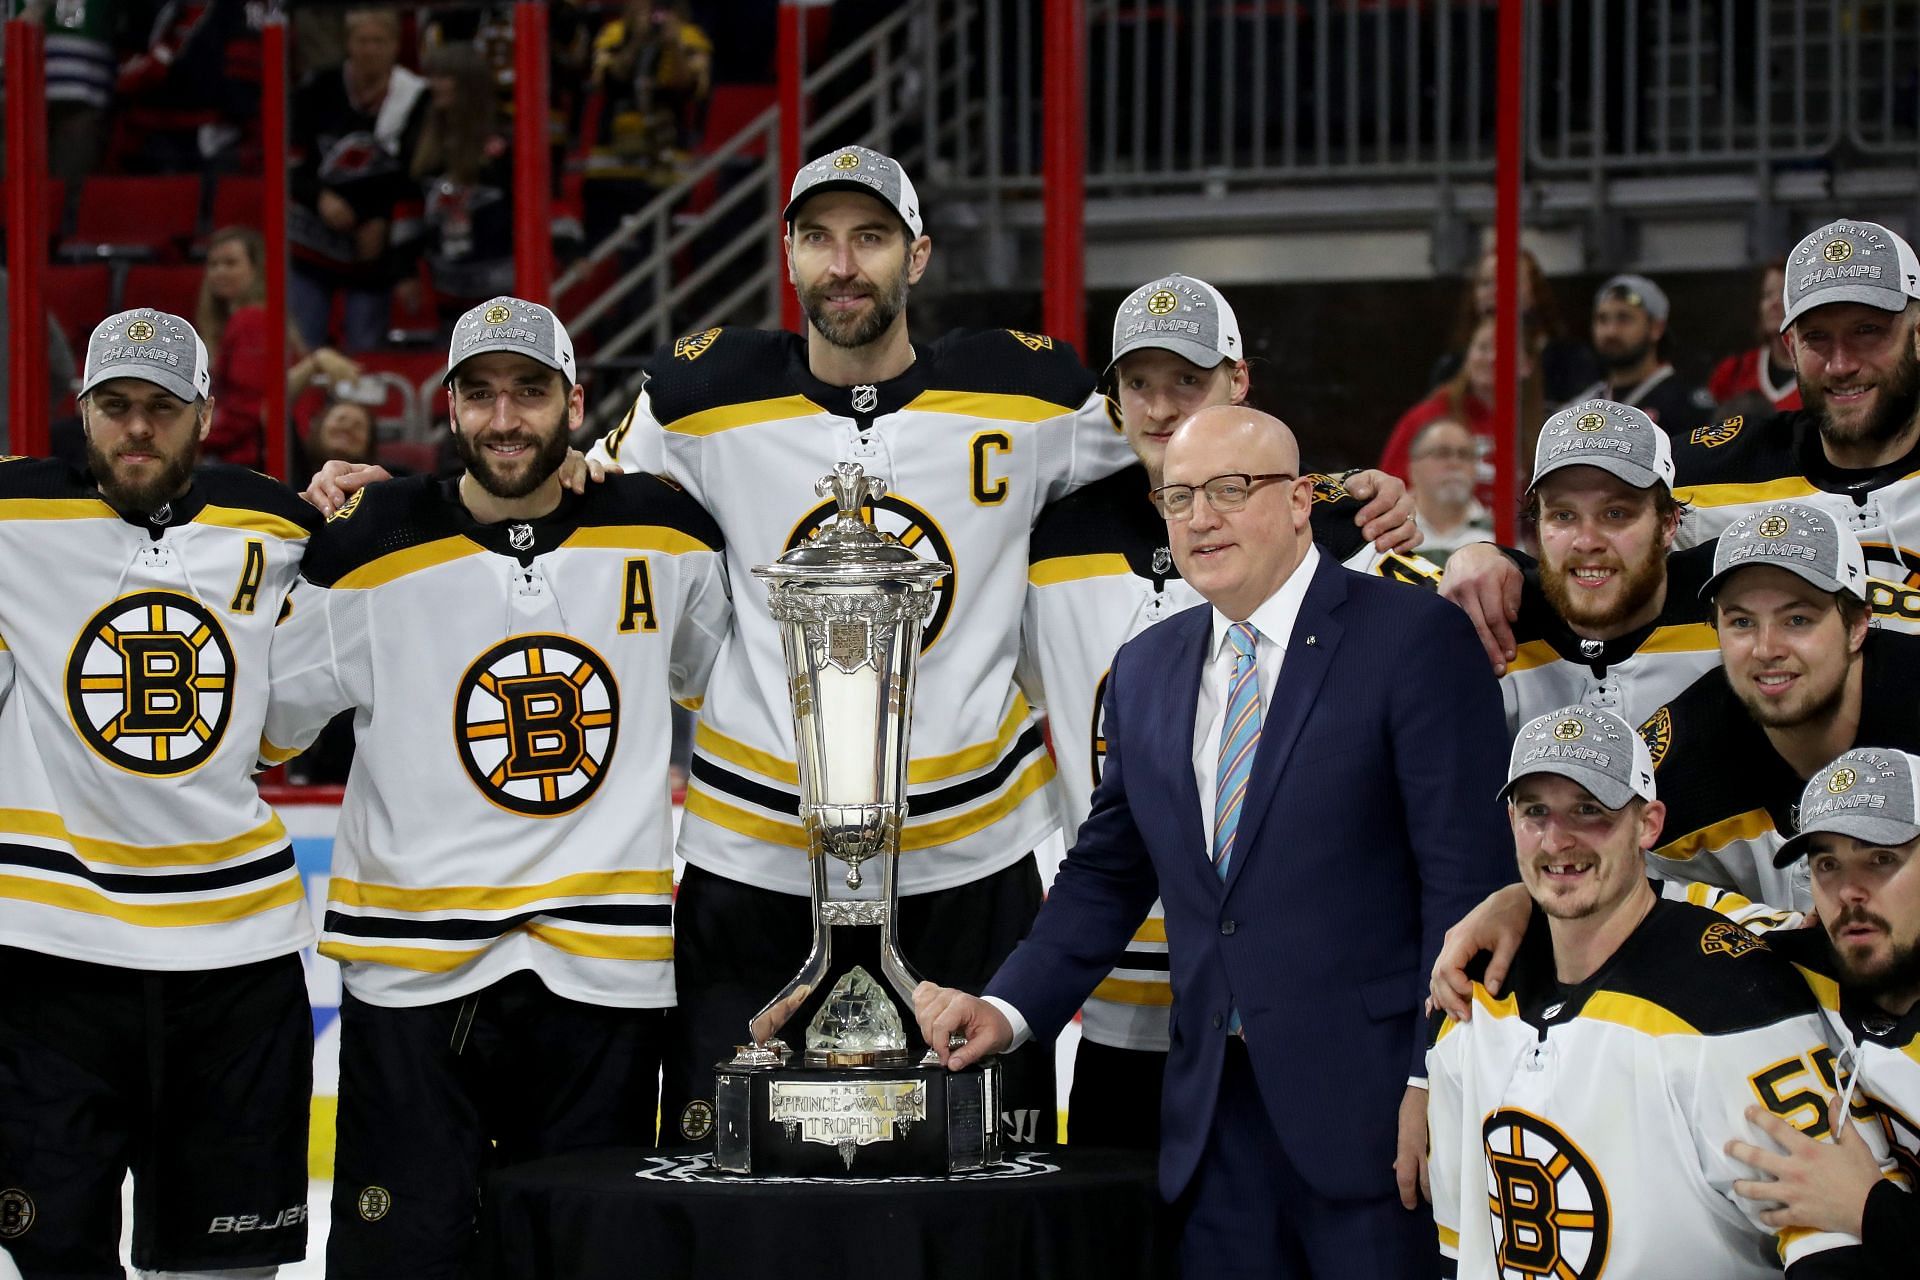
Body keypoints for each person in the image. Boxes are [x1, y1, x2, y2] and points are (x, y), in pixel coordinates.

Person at [917, 405, 1513, 1278]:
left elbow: (1466, 888)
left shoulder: (1413, 639)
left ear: (1303, 499)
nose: (1202, 517)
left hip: (1380, 1114)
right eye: (1180, 496)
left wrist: (1437, 1081)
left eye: (1233, 490)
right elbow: (1107, 875)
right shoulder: (1147, 667)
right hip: (1208, 1123)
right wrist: (1007, 1012)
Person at [262, 296, 729, 1272]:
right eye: (481, 394)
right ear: (449, 406)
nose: (505, 417)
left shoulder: (664, 532)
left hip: (601, 973)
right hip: (416, 978)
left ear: (575, 399)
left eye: (530, 391)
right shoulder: (370, 543)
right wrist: (286, 546)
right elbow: (267, 724)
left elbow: (704, 672)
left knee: (580, 1255)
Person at [1024, 273, 1436, 1151]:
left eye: (1189, 380)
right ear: (1112, 396)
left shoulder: (1333, 527)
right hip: (1115, 1002)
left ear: (1239, 380)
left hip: (1297, 1010)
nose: (1163, 406)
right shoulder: (1046, 540)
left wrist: (1484, 556)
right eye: (1141, 383)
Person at [0, 309, 318, 1275]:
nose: (137, 428)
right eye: (116, 406)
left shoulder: (277, 526)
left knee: (228, 1268)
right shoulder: (13, 517)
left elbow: (283, 726)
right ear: (82, 409)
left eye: (161, 408)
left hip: (237, 959)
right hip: (50, 961)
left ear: (204, 414)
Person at [1426, 704, 1876, 1278]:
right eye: (1535, 812)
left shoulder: (1735, 1004)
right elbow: (1461, 1247)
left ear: (1649, 824)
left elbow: (1834, 1251)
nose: (1557, 839)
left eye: (1589, 810)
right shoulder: (1474, 990)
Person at [1443, 218, 1920, 673]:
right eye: (1818, 338)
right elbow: (1594, 540)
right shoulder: (1713, 468)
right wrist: (1493, 558)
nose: (1840, 365)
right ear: (1790, 346)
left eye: (1868, 332)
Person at [1643, 502, 1920, 917]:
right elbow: (1629, 898)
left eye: (1797, 620)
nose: (1767, 649)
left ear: (1858, 626)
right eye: (1741, 622)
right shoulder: (1677, 763)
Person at [1728, 748, 1920, 1273]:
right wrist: (1518, 904)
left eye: (1881, 858)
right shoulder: (1804, 952)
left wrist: (1869, 1208)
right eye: (1828, 864)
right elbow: (1656, 902)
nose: (1849, 892)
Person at [1451, 398, 1721, 732]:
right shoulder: (1495, 628)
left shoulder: (1728, 615)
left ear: (1668, 524)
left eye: (1615, 514)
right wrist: (1472, 554)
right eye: (1564, 515)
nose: (1587, 540)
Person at [288, 7, 429, 352]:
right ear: (348, 43)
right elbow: (289, 165)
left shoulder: (414, 98)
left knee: (366, 354)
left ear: (396, 45)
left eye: (379, 41)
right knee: (303, 351)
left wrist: (382, 221)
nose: (370, 49)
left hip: (374, 252)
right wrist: (321, 197)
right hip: (312, 243)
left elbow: (415, 176)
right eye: (362, 41)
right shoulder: (316, 89)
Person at [200, 226, 361, 467]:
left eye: (230, 263)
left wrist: (198, 437)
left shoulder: (250, 320)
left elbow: (249, 409)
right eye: (214, 264)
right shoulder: (254, 319)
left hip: (251, 458)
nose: (220, 272)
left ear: (257, 270)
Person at [412, 42, 516, 320]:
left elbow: (527, 207)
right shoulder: (422, 133)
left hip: (500, 290)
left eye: (444, 77)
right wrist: (404, 271)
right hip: (446, 290)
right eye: (432, 77)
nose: (434, 85)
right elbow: (408, 204)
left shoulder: (503, 139)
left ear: (469, 84)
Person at [1379, 313, 1518, 511]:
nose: (1492, 357)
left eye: (1504, 349)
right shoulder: (1426, 418)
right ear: (1467, 355)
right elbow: (1390, 490)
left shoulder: (1536, 425)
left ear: (1527, 364)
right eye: (1483, 347)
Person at [1565, 272, 1716, 434]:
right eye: (1602, 319)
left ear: (1656, 328)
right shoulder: (1581, 407)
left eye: (1624, 319)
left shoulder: (1688, 405)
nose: (1611, 331)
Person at [1709, 259, 1802, 416]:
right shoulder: (1733, 372)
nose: (1774, 303)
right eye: (1767, 295)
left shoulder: (1822, 372)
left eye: (1784, 294)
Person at [1403, 417, 1492, 565]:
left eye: (1464, 455)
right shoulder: (1389, 528)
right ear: (1413, 469)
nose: (1454, 463)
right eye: (1442, 453)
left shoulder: (1500, 535)